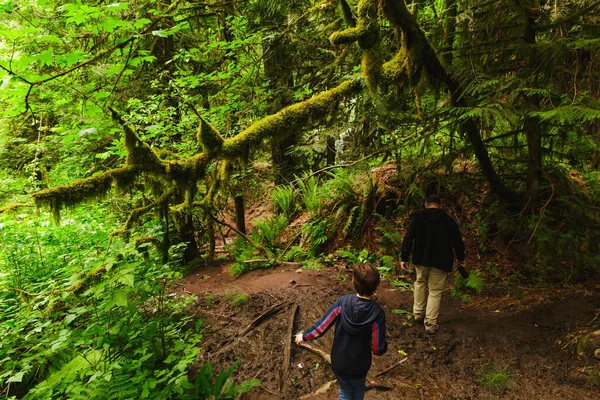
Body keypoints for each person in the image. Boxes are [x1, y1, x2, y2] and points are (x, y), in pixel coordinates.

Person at [295, 263, 388, 400]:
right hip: (359, 365)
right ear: (376, 286)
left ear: (353, 282)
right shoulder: (377, 313)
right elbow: (377, 349)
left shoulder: (342, 303)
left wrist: (304, 336)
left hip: (340, 361)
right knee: (358, 388)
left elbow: (322, 326)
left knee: (345, 390)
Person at [400, 193, 465, 335]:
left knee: (420, 283)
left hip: (421, 259)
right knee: (435, 292)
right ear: (440, 205)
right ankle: (430, 324)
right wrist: (461, 259)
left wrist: (404, 257)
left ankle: (417, 313)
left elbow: (409, 237)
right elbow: (458, 243)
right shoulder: (449, 221)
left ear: (426, 204)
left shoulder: (418, 218)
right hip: (441, 262)